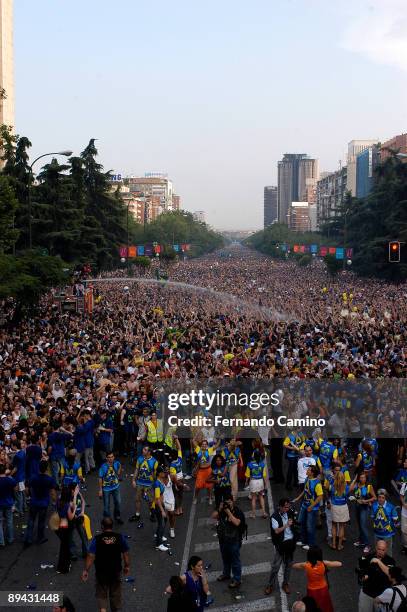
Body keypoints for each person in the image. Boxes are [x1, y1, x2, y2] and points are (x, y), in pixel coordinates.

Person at [82, 517, 130, 612]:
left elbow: (90, 555)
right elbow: (126, 553)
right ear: (112, 526)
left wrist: (86, 570)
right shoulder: (120, 538)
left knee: (102, 595)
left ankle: (103, 610)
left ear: (102, 527)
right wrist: (127, 566)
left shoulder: (97, 539)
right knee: (115, 594)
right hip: (115, 571)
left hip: (101, 572)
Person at [292, 545, 341, 612]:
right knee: (325, 606)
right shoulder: (323, 563)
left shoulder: (306, 565)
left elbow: (294, 566)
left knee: (312, 607)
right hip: (323, 589)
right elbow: (339, 564)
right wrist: (324, 562)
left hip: (311, 589)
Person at [265, 498, 295, 596]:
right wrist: (286, 525)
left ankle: (285, 584)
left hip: (290, 543)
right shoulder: (274, 516)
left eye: (288, 507)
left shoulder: (290, 512)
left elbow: (295, 522)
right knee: (276, 566)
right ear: (280, 507)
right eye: (285, 507)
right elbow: (276, 531)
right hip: (281, 544)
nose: (287, 509)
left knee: (289, 565)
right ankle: (270, 585)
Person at [24, 459, 58, 547]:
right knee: (41, 521)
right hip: (44, 503)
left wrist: (29, 495)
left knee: (31, 520)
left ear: (38, 468)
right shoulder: (49, 479)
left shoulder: (33, 477)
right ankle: (40, 538)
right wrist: (55, 502)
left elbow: (26, 489)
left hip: (34, 501)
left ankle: (28, 538)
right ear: (46, 469)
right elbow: (53, 492)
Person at [216, 494, 245, 588]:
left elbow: (237, 523)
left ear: (233, 501)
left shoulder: (238, 511)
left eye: (229, 501)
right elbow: (213, 516)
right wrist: (220, 509)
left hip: (234, 541)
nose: (227, 504)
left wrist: (228, 512)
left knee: (235, 561)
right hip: (223, 539)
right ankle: (226, 574)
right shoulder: (223, 510)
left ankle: (237, 579)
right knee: (225, 559)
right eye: (226, 502)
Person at [357, 539, 395, 612]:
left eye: (383, 550)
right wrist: (363, 577)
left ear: (386, 549)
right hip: (367, 593)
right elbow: (361, 575)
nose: (380, 552)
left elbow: (390, 574)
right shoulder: (367, 558)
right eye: (379, 549)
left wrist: (378, 561)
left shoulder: (390, 561)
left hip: (382, 596)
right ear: (375, 548)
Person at [293, 465, 323, 550]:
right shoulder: (307, 479)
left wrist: (311, 506)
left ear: (312, 473)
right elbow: (305, 490)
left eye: (309, 470)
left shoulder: (317, 483)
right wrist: (298, 498)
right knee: (302, 523)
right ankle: (303, 540)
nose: (307, 470)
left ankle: (311, 544)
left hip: (312, 508)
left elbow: (320, 496)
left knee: (310, 526)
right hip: (304, 505)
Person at [130, 445, 158, 523]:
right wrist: (133, 480)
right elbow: (136, 470)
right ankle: (137, 515)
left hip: (149, 485)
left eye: (145, 450)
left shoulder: (155, 462)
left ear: (149, 452)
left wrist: (154, 485)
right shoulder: (140, 459)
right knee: (137, 499)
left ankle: (151, 514)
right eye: (143, 449)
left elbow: (156, 476)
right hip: (139, 483)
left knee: (150, 501)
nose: (143, 451)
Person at [350, 472, 376, 553]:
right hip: (357, 507)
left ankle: (368, 544)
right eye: (361, 477)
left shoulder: (369, 486)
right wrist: (354, 480)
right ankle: (361, 541)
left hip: (365, 508)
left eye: (364, 477)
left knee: (363, 526)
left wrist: (366, 501)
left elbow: (374, 497)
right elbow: (350, 489)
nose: (362, 479)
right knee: (359, 525)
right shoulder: (357, 484)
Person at [371, 489, 399, 556]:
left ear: (385, 498)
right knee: (377, 550)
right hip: (377, 533)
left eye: (383, 497)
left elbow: (395, 519)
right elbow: (372, 517)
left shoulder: (391, 507)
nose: (380, 499)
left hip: (387, 534)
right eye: (379, 497)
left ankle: (389, 565)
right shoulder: (374, 505)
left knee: (388, 551)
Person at [55, 485, 76, 574]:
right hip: (66, 527)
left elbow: (60, 496)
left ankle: (61, 567)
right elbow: (71, 517)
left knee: (63, 548)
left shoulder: (58, 502)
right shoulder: (67, 505)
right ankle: (64, 567)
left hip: (59, 526)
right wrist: (74, 510)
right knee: (66, 549)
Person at [98, 452, 123, 525]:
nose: (111, 458)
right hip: (106, 489)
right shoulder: (103, 466)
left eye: (112, 457)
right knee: (106, 506)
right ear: (106, 458)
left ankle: (117, 517)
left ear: (114, 457)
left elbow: (119, 466)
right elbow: (100, 478)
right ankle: (107, 521)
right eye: (109, 457)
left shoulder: (116, 463)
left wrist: (119, 472)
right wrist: (100, 490)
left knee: (118, 502)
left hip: (116, 486)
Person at [328, 471, 350, 550]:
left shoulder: (332, 486)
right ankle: (339, 545)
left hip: (334, 506)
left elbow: (329, 492)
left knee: (334, 525)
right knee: (341, 526)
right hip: (343, 506)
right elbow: (347, 495)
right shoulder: (346, 487)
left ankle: (334, 544)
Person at [245, 449, 267, 518]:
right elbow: (264, 475)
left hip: (253, 482)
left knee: (253, 498)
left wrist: (246, 482)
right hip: (260, 482)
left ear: (253, 456)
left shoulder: (249, 464)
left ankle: (253, 514)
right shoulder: (262, 464)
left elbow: (248, 475)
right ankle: (264, 512)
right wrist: (265, 483)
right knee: (261, 497)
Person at [153, 465, 169, 551]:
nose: (164, 473)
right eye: (162, 472)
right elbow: (157, 498)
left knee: (164, 520)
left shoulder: (161, 481)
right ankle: (158, 544)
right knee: (161, 524)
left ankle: (159, 535)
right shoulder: (157, 484)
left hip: (161, 505)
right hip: (158, 506)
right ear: (159, 474)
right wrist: (162, 510)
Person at [0, 463, 17, 546]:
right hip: (8, 502)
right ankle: (10, 539)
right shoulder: (10, 480)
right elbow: (15, 489)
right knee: (9, 521)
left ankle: (1, 541)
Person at [400, 479, 407, 555]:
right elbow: (401, 496)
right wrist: (404, 504)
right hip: (404, 513)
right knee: (404, 530)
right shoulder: (405, 485)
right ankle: (405, 546)